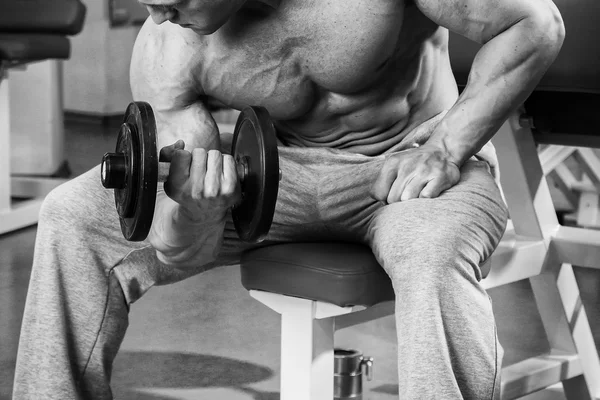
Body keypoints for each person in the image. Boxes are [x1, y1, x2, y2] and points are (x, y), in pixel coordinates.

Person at [13, 0, 565, 398]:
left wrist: (448, 146)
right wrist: (197, 213)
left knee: (432, 249)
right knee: (72, 215)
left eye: (170, 0)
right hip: (277, 177)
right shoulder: (168, 47)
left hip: (409, 165)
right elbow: (182, 253)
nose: (156, 13)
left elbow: (533, 24)